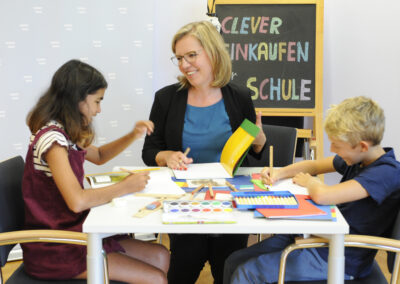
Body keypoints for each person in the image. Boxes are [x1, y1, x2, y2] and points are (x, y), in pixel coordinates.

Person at [21, 59, 170, 284]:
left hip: (73, 233)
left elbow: (99, 156)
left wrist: (133, 134)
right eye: (97, 101)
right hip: (56, 248)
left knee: (160, 255)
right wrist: (124, 187)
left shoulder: (63, 132)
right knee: (156, 278)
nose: (99, 110)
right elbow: (77, 201)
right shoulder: (53, 140)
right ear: (77, 99)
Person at [224, 96, 400, 283]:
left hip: (338, 256)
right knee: (234, 262)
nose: (332, 149)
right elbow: (314, 166)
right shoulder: (360, 158)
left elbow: (323, 195)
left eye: (337, 145)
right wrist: (279, 173)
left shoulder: (387, 173)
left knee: (247, 273)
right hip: (319, 237)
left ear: (362, 146)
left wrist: (310, 183)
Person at [142, 21, 267, 284]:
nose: (184, 65)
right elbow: (150, 150)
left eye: (191, 55)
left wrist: (259, 141)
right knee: (183, 267)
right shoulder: (166, 99)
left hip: (231, 204)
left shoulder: (239, 97)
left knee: (229, 270)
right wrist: (167, 156)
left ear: (213, 53)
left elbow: (253, 156)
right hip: (185, 203)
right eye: (179, 58)